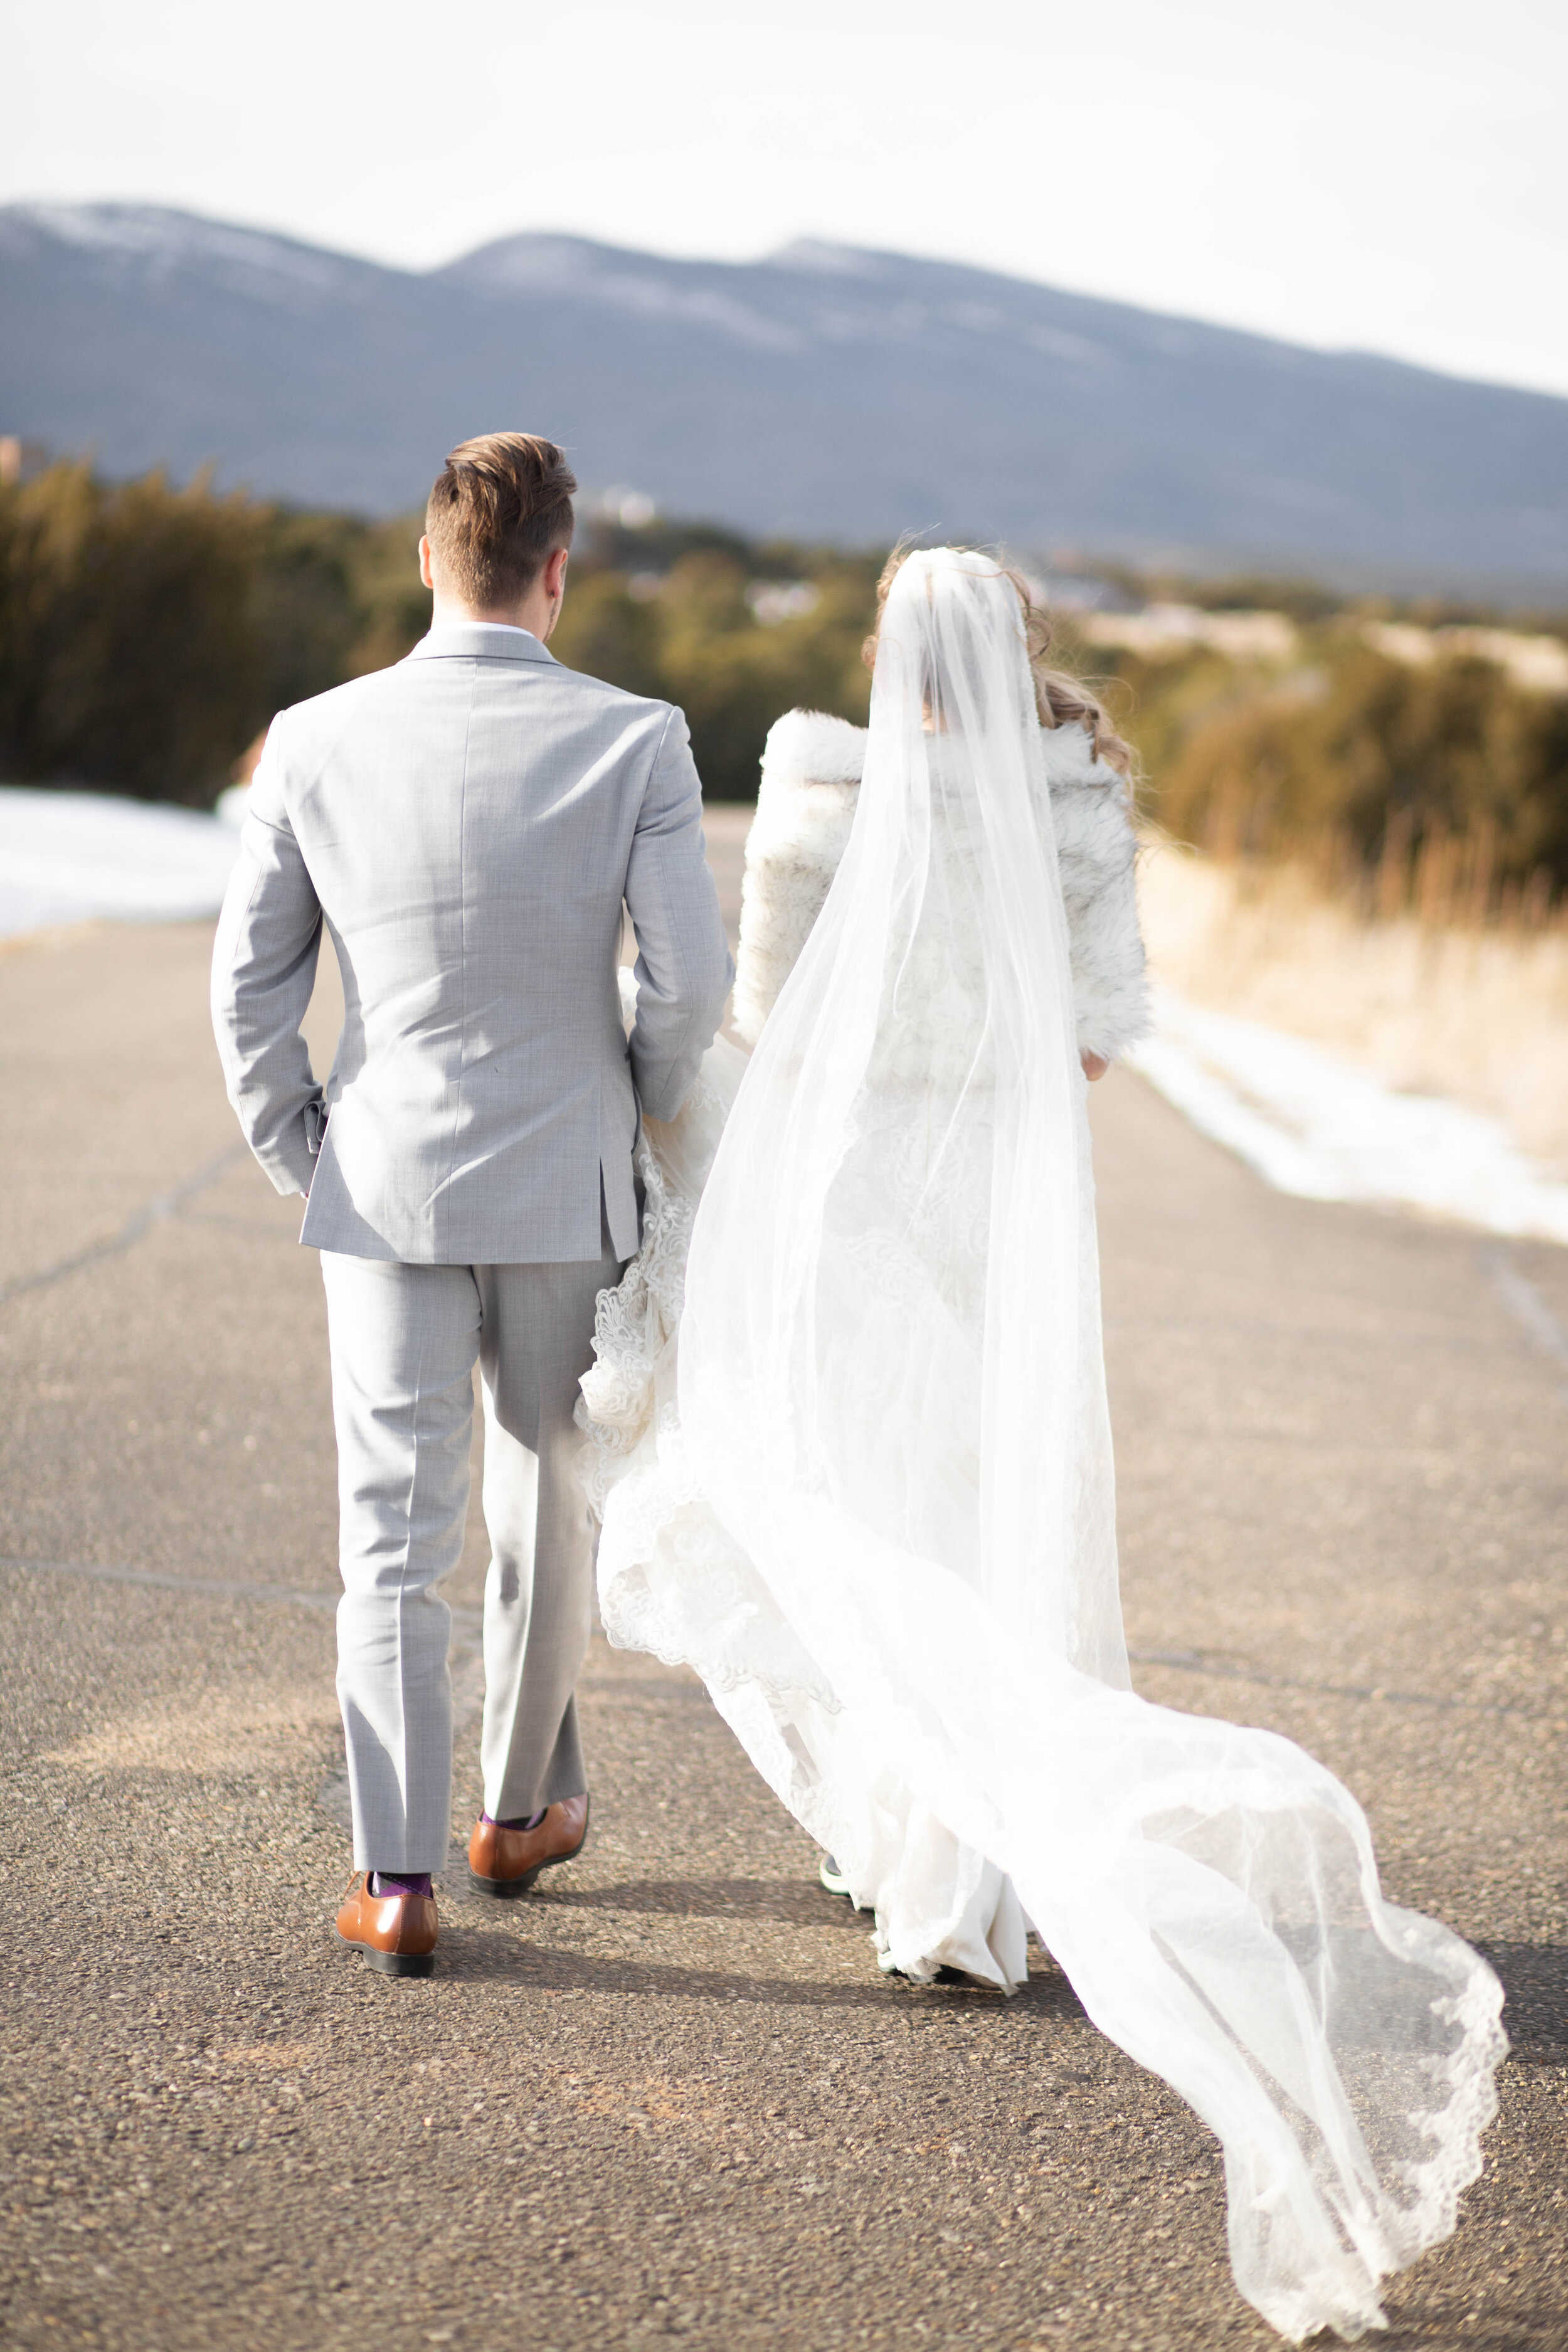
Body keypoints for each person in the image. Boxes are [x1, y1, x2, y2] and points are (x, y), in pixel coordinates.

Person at [578, 547, 1504, 2342]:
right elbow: (1091, 1043)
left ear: (882, 647)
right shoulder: (1076, 800)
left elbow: (769, 1015)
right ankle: (965, 1882)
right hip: (990, 1217)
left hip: (846, 1210)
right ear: (1020, 652)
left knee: (862, 1513)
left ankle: (893, 1840)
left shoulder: (813, 784)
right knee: (979, 1523)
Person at [211, 432, 733, 1977]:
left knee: (392, 1533)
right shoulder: (639, 739)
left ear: (427, 560)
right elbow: (689, 983)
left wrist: (300, 1151)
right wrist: (626, 1100)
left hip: (377, 1176)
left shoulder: (309, 737)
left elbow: (250, 987)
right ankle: (515, 1816)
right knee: (546, 1498)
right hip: (568, 1176)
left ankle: (396, 1880)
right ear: (557, 575)